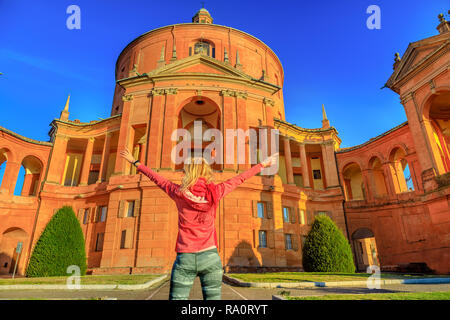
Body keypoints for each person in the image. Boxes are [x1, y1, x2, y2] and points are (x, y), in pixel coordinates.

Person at [120, 149, 278, 300]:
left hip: (185, 257)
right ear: (205, 172)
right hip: (210, 257)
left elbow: (157, 178)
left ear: (189, 172)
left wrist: (136, 162)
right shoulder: (215, 192)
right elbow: (239, 178)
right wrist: (263, 165)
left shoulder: (178, 192)